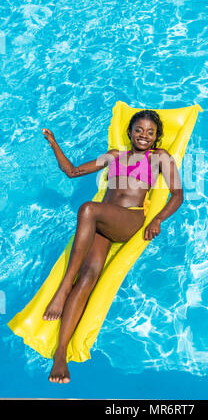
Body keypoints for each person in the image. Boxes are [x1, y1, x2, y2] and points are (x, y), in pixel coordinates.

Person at [41, 109, 183, 383]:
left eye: (150, 132)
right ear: (130, 132)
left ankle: (61, 291)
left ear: (157, 138)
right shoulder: (114, 156)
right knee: (87, 279)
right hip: (102, 222)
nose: (144, 135)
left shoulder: (160, 158)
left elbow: (178, 195)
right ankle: (60, 354)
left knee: (87, 209)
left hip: (129, 220)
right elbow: (72, 172)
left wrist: (158, 219)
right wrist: (54, 142)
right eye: (139, 130)